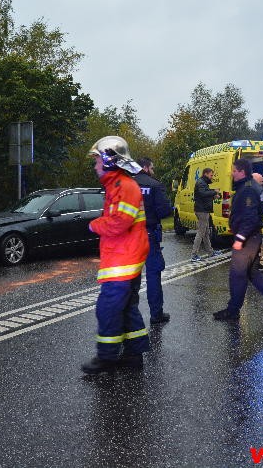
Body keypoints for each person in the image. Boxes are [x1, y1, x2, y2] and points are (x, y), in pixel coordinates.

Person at [83, 136, 151, 374]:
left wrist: (94, 225)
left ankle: (107, 358)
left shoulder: (124, 187)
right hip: (126, 257)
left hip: (124, 259)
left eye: (97, 161)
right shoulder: (117, 186)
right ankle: (134, 355)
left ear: (110, 161)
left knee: (108, 308)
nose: (95, 166)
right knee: (126, 308)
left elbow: (119, 223)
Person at [213, 159, 263, 321]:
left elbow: (249, 218)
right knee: (252, 274)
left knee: (237, 275)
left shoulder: (248, 190)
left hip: (247, 239)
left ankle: (232, 311)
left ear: (241, 172)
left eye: (234, 171)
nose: (231, 173)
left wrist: (239, 238)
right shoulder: (251, 187)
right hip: (252, 237)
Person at [133, 157, 173, 325]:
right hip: (148, 235)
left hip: (129, 237)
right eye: (152, 167)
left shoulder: (126, 184)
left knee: (129, 278)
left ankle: (126, 318)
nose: (153, 170)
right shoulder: (154, 185)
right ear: (146, 167)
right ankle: (156, 314)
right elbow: (164, 211)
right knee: (153, 275)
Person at [191, 167, 220, 261]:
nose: (212, 177)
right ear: (206, 174)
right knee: (201, 232)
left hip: (204, 210)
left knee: (206, 232)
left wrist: (213, 196)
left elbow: (203, 196)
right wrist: (214, 192)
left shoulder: (203, 183)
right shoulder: (201, 183)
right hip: (202, 211)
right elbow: (203, 193)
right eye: (211, 175)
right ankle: (194, 255)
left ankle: (210, 252)